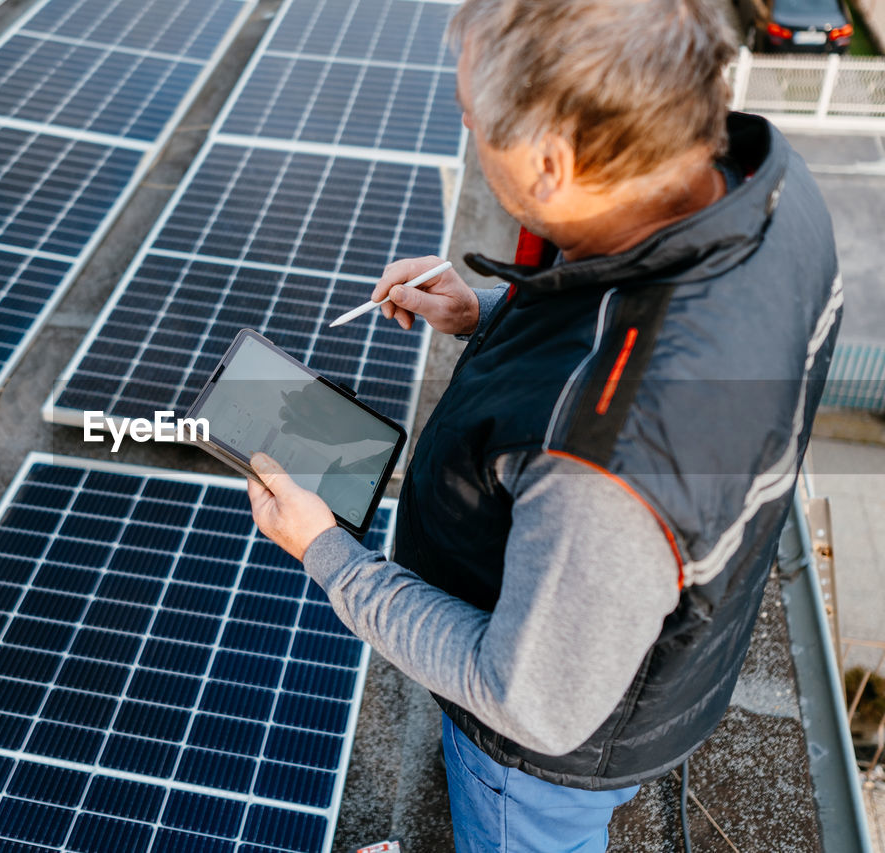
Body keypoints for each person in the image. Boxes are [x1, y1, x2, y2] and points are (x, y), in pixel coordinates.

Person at [244, 0, 843, 850]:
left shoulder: (605, 461)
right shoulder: (769, 195)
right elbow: (619, 323)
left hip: (538, 761)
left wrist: (326, 552)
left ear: (553, 163)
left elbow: (528, 700)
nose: (469, 137)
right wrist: (485, 312)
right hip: (662, 652)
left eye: (472, 123)